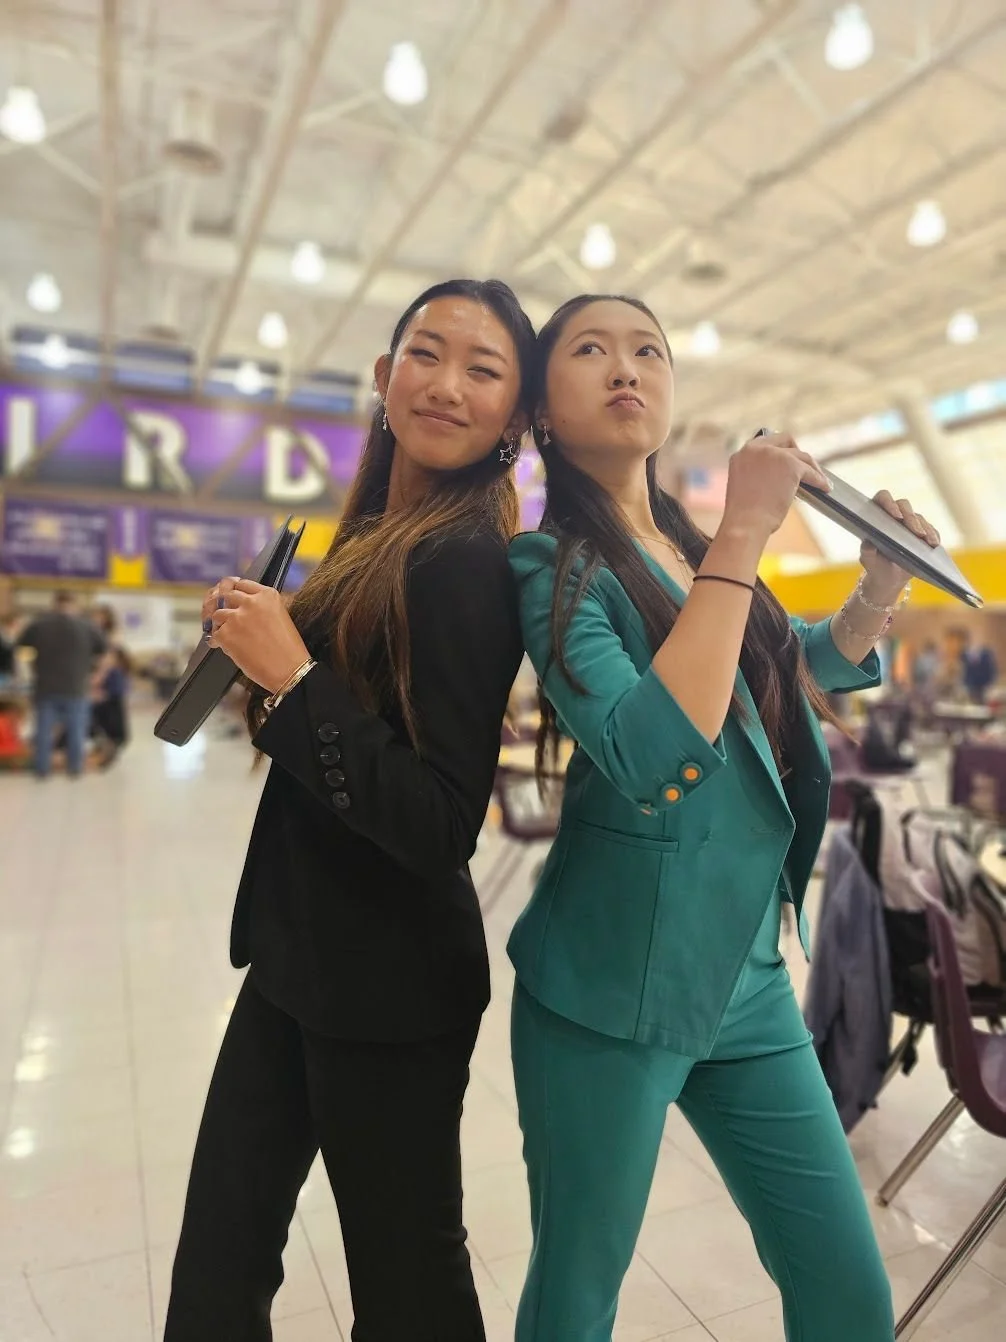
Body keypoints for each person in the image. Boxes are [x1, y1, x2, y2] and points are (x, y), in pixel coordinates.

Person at [506, 294, 941, 1342]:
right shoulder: (550, 566)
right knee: (577, 1296)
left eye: (648, 349)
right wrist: (746, 528)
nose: (628, 366)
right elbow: (652, 752)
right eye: (591, 349)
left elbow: (783, 656)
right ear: (543, 413)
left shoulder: (686, 544)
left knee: (846, 1290)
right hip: (605, 994)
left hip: (743, 980)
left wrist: (877, 587)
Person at [164, 278, 536, 1342]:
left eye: (483, 369)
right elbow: (348, 723)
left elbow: (438, 822)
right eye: (427, 352)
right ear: (384, 376)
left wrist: (293, 680)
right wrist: (265, 649)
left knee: (406, 1286)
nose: (447, 384)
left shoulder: (468, 560)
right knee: (220, 1256)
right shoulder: (379, 530)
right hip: (295, 954)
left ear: (513, 416)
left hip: (391, 986)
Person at [17, 590, 106, 778]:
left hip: (45, 686)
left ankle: (42, 768)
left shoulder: (38, 625)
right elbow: (103, 651)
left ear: (54, 603)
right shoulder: (87, 626)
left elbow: (21, 648)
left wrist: (32, 667)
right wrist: (93, 673)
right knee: (76, 730)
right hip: (76, 687)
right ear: (75, 604)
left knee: (43, 730)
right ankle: (74, 768)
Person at [89, 606, 131, 766]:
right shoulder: (91, 636)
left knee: (113, 718)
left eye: (99, 617)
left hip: (110, 681)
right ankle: (104, 750)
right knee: (99, 719)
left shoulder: (111, 636)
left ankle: (111, 750)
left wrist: (97, 678)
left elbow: (109, 659)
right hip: (98, 679)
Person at [958, 627, 998, 704]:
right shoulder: (963, 654)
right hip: (969, 686)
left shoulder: (986, 654)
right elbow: (964, 671)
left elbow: (992, 671)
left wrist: (990, 684)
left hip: (983, 686)